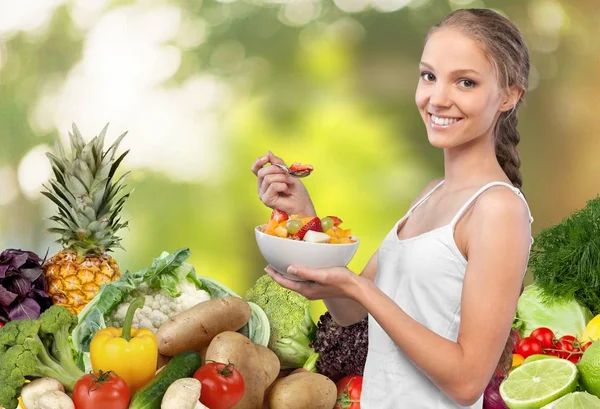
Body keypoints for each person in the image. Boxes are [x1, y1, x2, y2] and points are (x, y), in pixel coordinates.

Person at [251, 8, 533, 409]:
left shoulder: (498, 209)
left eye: (465, 82)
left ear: (508, 95)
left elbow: (468, 380)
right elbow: (349, 310)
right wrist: (302, 216)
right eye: (428, 75)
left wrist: (361, 289)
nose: (437, 97)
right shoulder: (430, 194)